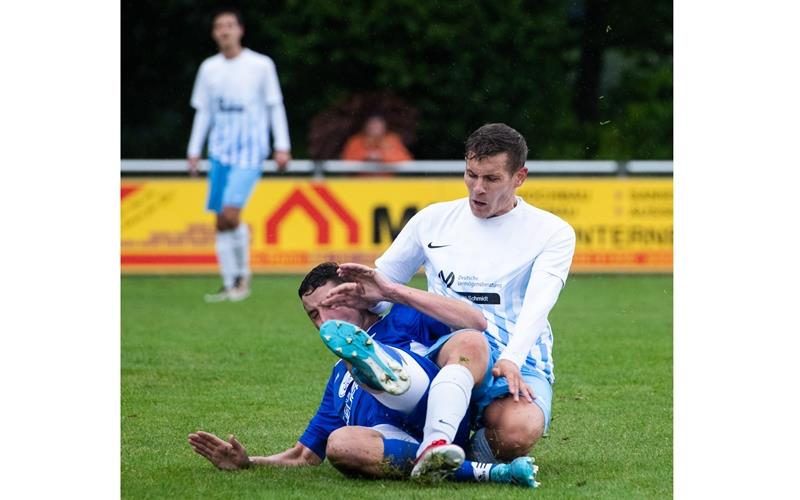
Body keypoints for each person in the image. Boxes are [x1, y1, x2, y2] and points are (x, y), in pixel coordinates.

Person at [326, 123, 576, 473]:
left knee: (519, 432)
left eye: (491, 179)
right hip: (444, 349)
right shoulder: (432, 220)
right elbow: (382, 292)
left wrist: (514, 358)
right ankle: (438, 446)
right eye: (471, 174)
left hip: (516, 359)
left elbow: (540, 303)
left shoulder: (552, 232)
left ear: (519, 177)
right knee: (470, 342)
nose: (478, 188)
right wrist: (344, 302)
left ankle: (460, 457)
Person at [188, 262, 539, 488]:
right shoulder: (336, 379)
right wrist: (248, 462)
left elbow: (474, 321)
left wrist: (393, 292)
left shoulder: (404, 316)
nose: (324, 322)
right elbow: (303, 456)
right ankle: (462, 466)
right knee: (341, 443)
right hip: (397, 441)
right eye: (313, 315)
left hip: (439, 403)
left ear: (353, 293)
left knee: (467, 342)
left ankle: (387, 371)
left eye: (330, 306)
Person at [186, 8, 292, 302]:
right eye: (219, 26)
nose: (225, 31)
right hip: (219, 152)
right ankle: (229, 283)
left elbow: (274, 105)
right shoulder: (209, 68)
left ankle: (242, 278)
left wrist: (281, 144)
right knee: (220, 220)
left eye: (230, 25)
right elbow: (204, 111)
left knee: (231, 214)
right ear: (213, 32)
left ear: (240, 30)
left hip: (250, 152)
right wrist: (194, 150)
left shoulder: (260, 65)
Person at [340, 114, 413, 163]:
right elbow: (346, 159)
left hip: (387, 182)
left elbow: (405, 159)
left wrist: (382, 156)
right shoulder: (356, 140)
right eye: (372, 125)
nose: (375, 128)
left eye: (377, 126)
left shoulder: (392, 140)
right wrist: (366, 156)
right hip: (361, 182)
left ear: (384, 127)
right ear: (366, 126)